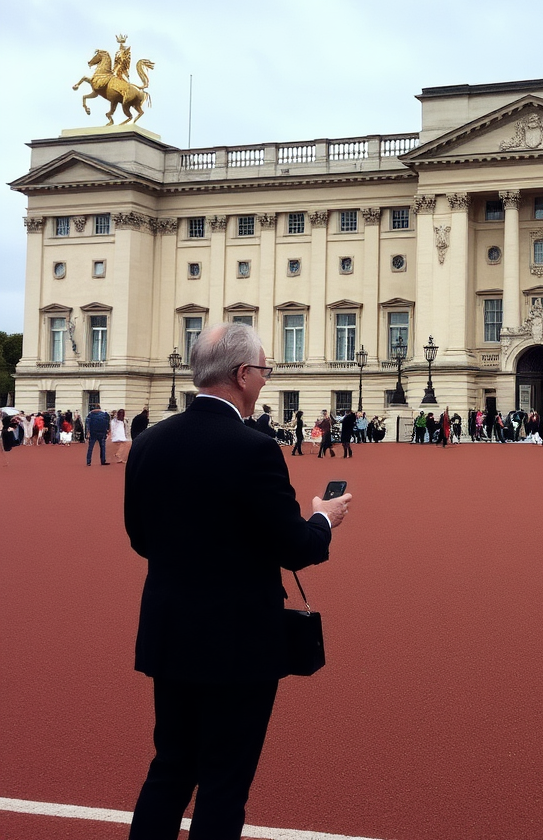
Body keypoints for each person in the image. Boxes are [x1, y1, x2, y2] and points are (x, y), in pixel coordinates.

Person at [124, 322, 350, 840]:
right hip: (238, 642)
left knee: (171, 767)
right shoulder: (254, 447)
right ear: (244, 375)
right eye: (265, 371)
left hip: (170, 631)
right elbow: (298, 548)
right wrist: (322, 518)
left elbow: (141, 538)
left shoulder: (149, 442)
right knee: (225, 782)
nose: (266, 380)